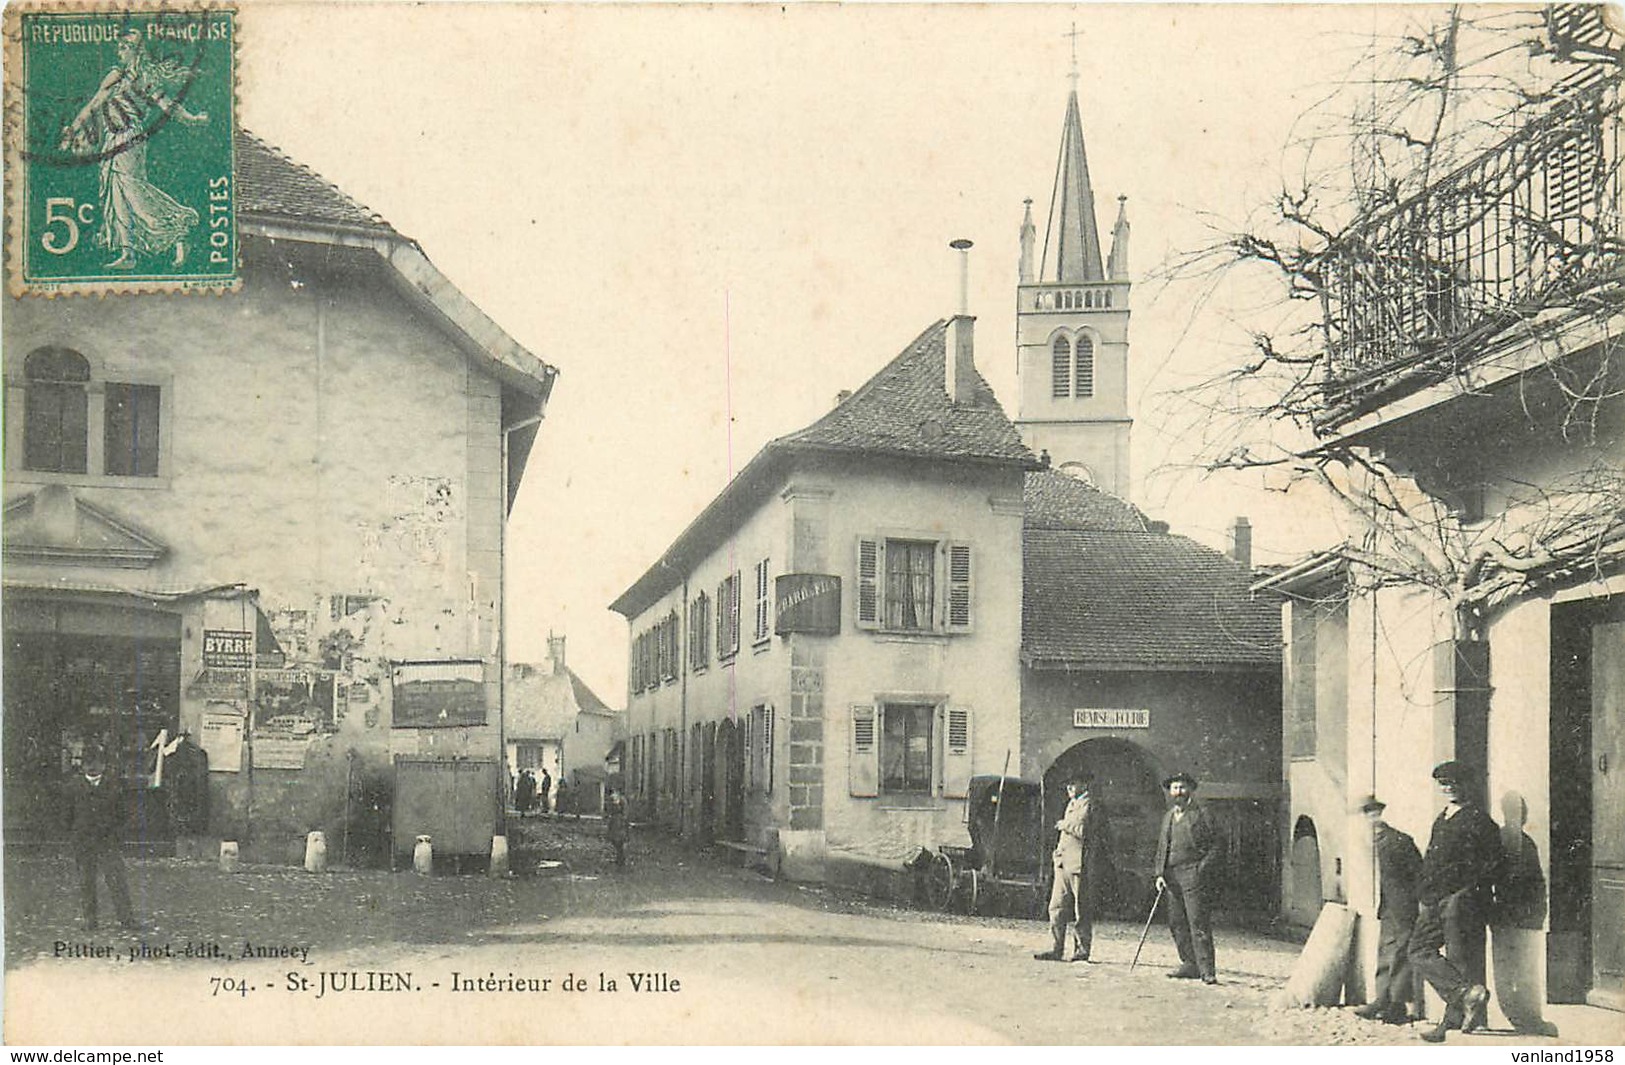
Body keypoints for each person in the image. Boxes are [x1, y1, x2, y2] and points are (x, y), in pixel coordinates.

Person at [57, 31, 209, 269]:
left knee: (134, 191)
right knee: (116, 194)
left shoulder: (146, 80)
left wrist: (192, 119)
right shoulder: (115, 76)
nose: (120, 51)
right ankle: (128, 253)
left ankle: (179, 229)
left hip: (131, 138)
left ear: (137, 50)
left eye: (125, 47)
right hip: (111, 139)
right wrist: (73, 130)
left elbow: (168, 105)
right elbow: (94, 105)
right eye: (120, 47)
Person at [1410, 760, 1500, 1043]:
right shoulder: (1443, 817)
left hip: (1461, 901)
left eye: (1454, 783)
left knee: (1459, 961)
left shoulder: (1479, 820)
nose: (1449, 788)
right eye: (1443, 784)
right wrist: (1424, 893)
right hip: (1435, 899)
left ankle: (1451, 1022)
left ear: (1467, 784)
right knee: (1419, 950)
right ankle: (1466, 996)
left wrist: (1464, 894)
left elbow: (1492, 864)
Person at [1352, 794, 1422, 1024]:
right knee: (1385, 954)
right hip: (1386, 907)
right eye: (1366, 814)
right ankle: (1382, 1000)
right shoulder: (1367, 844)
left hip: (1403, 907)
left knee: (1401, 954)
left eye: (1375, 813)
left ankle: (1396, 1004)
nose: (1371, 819)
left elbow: (1418, 874)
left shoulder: (1399, 841)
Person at [1153, 770, 1221, 984]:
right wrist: (1159, 873)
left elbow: (1218, 845)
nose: (1178, 792)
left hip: (1193, 874)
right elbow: (1163, 846)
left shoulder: (1202, 813)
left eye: (1182, 787)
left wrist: (1201, 869)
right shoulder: (1169, 816)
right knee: (1176, 922)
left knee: (1197, 921)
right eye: (1175, 788)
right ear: (1170, 792)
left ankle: (1207, 970)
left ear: (1190, 790)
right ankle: (1189, 964)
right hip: (1171, 876)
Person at [1035, 775, 1106, 963]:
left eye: (1074, 783)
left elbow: (1086, 832)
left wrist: (1064, 825)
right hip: (1063, 863)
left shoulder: (1090, 805)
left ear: (1084, 784)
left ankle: (1082, 950)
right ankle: (1055, 948)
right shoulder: (1071, 804)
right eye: (1068, 784)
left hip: (1079, 865)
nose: (1070, 787)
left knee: (1080, 909)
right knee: (1056, 907)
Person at [66, 747, 138, 931]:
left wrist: (115, 833)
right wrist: (75, 834)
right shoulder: (73, 786)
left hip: (108, 840)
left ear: (104, 765)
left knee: (116, 879)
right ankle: (90, 920)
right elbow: (66, 814)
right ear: (82, 766)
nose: (92, 767)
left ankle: (126, 919)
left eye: (96, 763)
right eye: (88, 763)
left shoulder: (114, 785)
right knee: (86, 881)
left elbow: (123, 813)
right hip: (84, 841)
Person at [604, 787, 629, 867]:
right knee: (614, 840)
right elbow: (609, 809)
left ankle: (621, 859)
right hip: (614, 822)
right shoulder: (614, 798)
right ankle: (619, 857)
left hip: (620, 823)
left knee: (620, 841)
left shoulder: (622, 800)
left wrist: (623, 821)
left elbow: (625, 812)